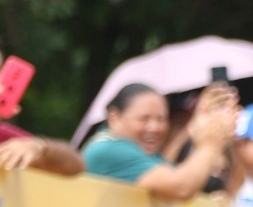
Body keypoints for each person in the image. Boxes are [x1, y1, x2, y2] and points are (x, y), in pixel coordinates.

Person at [82, 82, 237, 200]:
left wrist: (208, 203)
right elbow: (181, 188)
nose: (154, 128)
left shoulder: (147, 156)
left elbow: (185, 179)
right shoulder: (108, 150)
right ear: (114, 118)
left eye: (161, 119)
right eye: (144, 119)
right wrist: (211, 143)